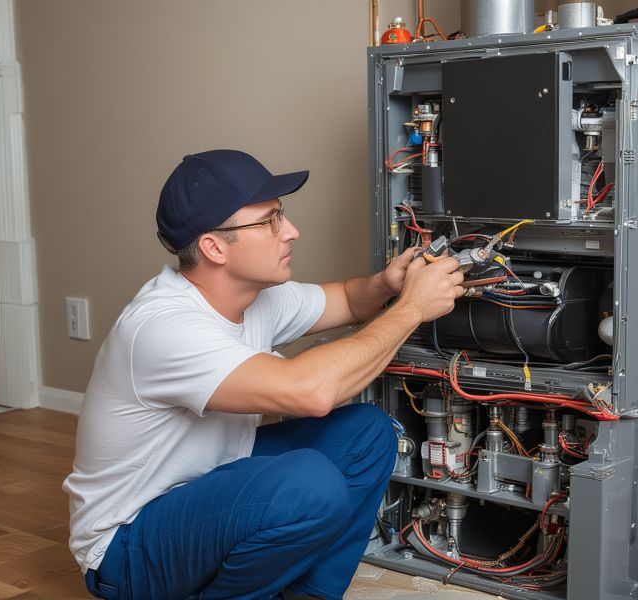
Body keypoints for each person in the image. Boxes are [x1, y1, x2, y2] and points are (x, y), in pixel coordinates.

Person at [63, 149, 465, 600]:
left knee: (368, 434)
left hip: (208, 490)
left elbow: (351, 301)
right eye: (270, 221)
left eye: (283, 215)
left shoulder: (255, 295)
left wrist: (388, 286)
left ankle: (306, 594)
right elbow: (312, 393)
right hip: (127, 549)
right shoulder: (162, 327)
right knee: (307, 485)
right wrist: (413, 307)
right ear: (215, 247)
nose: (291, 231)